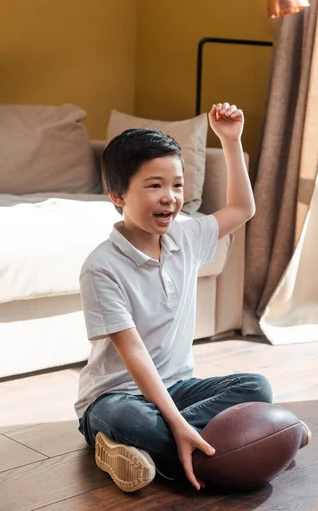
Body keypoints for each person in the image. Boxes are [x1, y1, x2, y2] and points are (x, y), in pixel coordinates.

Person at [75, 103, 302, 493]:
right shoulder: (102, 267)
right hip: (115, 398)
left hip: (180, 389)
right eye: (154, 185)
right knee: (136, 421)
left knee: (256, 387)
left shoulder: (185, 236)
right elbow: (136, 356)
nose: (169, 198)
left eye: (177, 185)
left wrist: (230, 141)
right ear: (117, 194)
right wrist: (180, 424)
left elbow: (243, 209)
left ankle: (155, 454)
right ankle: (242, 444)